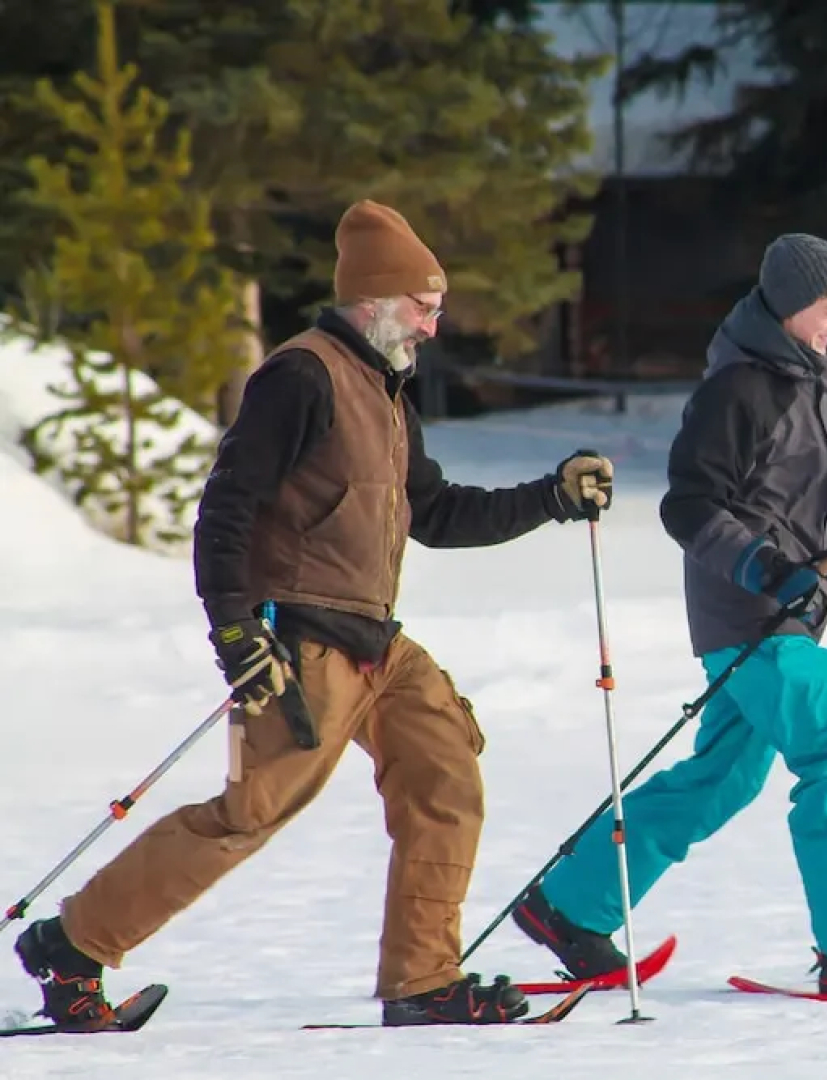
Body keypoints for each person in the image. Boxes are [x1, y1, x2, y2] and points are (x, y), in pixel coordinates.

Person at [13, 199, 616, 1029]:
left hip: (378, 643)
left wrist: (552, 496)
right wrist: (236, 632)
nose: (435, 328)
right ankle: (72, 945)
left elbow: (433, 514)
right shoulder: (301, 376)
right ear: (373, 300)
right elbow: (225, 509)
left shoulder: (388, 389)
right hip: (301, 642)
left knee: (444, 774)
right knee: (249, 813)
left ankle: (423, 981)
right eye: (424, 309)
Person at [509, 233, 827, 998]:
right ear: (794, 307)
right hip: (755, 615)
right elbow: (689, 505)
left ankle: (570, 905)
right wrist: (765, 568)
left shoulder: (805, 383)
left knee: (718, 780)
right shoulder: (739, 389)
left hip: (775, 612)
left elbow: (823, 502)